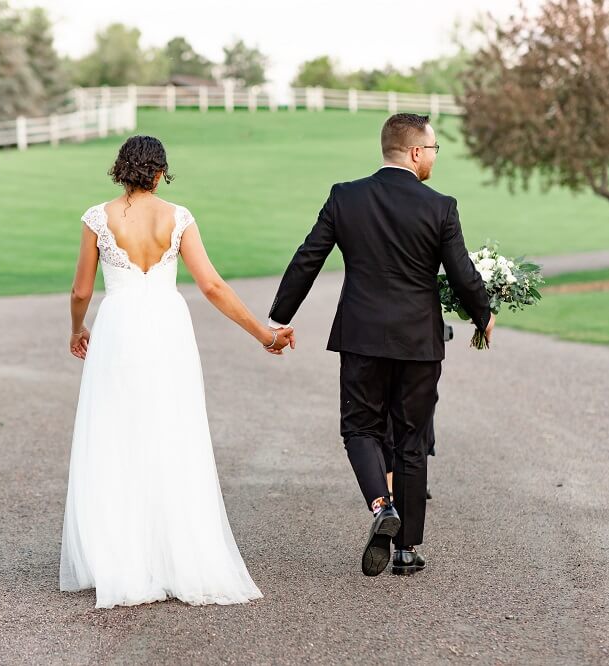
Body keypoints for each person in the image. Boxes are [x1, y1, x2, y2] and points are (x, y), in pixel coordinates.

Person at [60, 135, 294, 608]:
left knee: (115, 435)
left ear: (121, 169)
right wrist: (262, 334)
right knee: (173, 431)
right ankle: (178, 555)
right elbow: (210, 284)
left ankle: (121, 559)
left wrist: (77, 328)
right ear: (160, 172)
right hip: (167, 328)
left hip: (119, 327)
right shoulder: (178, 217)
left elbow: (81, 290)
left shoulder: (96, 218)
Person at [267, 114, 494, 577]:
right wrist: (483, 313)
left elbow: (308, 257)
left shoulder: (345, 197)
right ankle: (407, 551)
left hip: (362, 336)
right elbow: (461, 272)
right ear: (414, 152)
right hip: (418, 342)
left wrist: (279, 317)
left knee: (360, 429)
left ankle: (380, 507)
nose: (433, 158)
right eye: (432, 150)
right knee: (411, 439)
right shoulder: (441, 207)